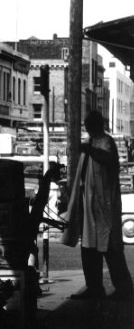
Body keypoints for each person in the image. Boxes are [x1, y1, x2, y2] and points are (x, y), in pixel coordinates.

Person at [62, 110, 132, 301]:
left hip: (104, 207)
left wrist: (88, 150)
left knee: (111, 249)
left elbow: (107, 159)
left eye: (89, 126)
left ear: (96, 126)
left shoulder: (106, 142)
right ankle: (94, 287)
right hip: (88, 205)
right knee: (89, 249)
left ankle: (124, 288)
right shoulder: (90, 143)